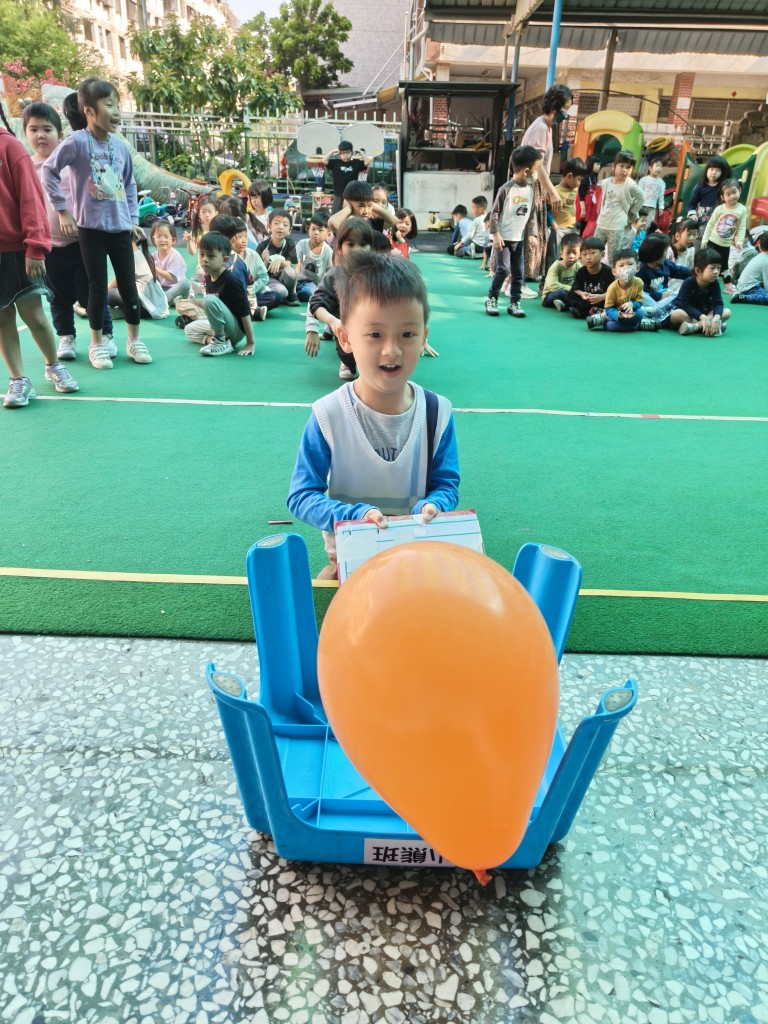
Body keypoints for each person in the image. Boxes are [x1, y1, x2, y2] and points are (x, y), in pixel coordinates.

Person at [288, 251, 460, 580]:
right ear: (345, 337)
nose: (391, 350)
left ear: (424, 338)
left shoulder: (437, 413)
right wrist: (354, 516)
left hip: (415, 554)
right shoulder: (328, 414)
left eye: (407, 334)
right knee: (332, 597)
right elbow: (301, 495)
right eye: (375, 334)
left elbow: (446, 484)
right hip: (350, 557)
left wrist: (436, 504)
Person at [42, 78, 152, 369]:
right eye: (109, 105)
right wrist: (62, 210)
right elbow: (49, 171)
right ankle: (97, 343)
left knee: (129, 286)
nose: (116, 112)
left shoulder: (120, 146)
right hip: (90, 230)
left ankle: (134, 340)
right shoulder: (77, 142)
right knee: (97, 289)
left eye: (118, 105)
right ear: (89, 111)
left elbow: (129, 185)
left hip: (120, 229)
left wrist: (133, 220)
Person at [23, 100, 114, 363]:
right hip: (49, 246)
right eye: (34, 130)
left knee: (91, 293)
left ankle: (105, 335)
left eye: (47, 129)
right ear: (26, 134)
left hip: (81, 243)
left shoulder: (71, 163)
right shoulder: (27, 168)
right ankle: (66, 336)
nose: (41, 135)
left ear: (60, 135)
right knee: (58, 296)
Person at [0, 105, 79, 407]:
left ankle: (53, 365)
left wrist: (35, 247)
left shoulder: (10, 147)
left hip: (19, 250)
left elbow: (31, 201)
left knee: (34, 315)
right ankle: (19, 379)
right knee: (2, 319)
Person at [520, 83, 573, 291]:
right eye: (565, 108)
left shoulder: (546, 127)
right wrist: (553, 192)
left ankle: (520, 279)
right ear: (555, 106)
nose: (566, 113)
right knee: (530, 235)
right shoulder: (541, 128)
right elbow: (537, 165)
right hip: (531, 186)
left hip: (535, 186)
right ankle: (518, 281)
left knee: (535, 234)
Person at [306, 217, 374, 375]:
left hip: (375, 331)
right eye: (351, 244)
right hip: (346, 330)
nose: (357, 249)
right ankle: (347, 362)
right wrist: (333, 322)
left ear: (371, 247)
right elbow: (316, 303)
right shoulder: (335, 275)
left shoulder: (379, 273)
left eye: (363, 244)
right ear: (339, 248)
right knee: (348, 357)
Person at [485, 145, 541, 319]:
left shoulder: (530, 191)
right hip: (503, 239)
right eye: (537, 169)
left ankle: (514, 302)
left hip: (519, 239)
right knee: (503, 269)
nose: (537, 173)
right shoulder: (506, 189)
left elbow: (532, 214)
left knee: (518, 273)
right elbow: (494, 213)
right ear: (526, 171)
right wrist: (495, 234)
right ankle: (492, 298)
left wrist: (532, 234)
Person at [183, 231, 257, 355]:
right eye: (202, 254)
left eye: (211, 256)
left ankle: (219, 342)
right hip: (223, 326)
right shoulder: (208, 278)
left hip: (236, 329)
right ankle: (222, 342)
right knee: (189, 329)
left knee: (209, 300)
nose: (204, 260)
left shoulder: (231, 280)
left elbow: (245, 313)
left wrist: (250, 343)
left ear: (225, 260)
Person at [594, 152, 646, 267]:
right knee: (595, 252)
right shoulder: (606, 183)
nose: (624, 170)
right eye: (621, 166)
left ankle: (612, 277)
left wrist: (632, 212)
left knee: (613, 258)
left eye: (628, 167)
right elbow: (604, 201)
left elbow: (642, 197)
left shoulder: (630, 185)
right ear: (614, 166)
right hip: (602, 223)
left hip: (616, 227)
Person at [588, 248, 656, 332]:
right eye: (621, 265)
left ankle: (605, 319)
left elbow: (639, 301)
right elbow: (609, 308)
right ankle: (638, 325)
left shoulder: (639, 282)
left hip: (631, 311)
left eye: (630, 264)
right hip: (616, 312)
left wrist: (632, 304)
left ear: (637, 268)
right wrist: (618, 315)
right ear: (614, 272)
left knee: (639, 314)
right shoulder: (612, 288)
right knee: (611, 326)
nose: (626, 268)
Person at [670, 247, 731, 336]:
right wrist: (702, 317)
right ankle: (708, 326)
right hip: (688, 313)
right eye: (712, 268)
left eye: (718, 268)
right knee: (677, 314)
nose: (716, 272)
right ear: (698, 271)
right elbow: (685, 305)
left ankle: (696, 326)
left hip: (704, 313)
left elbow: (718, 303)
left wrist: (716, 318)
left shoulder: (714, 283)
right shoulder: (688, 283)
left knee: (727, 312)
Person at [701, 178, 747, 290]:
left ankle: (728, 285)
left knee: (724, 265)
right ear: (723, 197)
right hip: (712, 242)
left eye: (734, 192)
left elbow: (741, 227)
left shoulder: (742, 210)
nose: (732, 196)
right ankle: (703, 282)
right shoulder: (719, 209)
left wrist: (739, 241)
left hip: (725, 244)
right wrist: (704, 240)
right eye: (728, 194)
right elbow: (710, 225)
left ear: (740, 191)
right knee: (709, 263)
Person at [637, 233, 692, 325]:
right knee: (641, 295)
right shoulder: (641, 269)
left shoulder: (665, 264)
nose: (667, 254)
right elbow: (643, 292)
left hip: (665, 302)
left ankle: (656, 316)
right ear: (655, 253)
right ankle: (660, 315)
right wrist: (660, 296)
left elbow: (680, 271)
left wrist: (697, 274)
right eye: (665, 251)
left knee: (680, 293)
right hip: (650, 303)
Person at [228, 216, 279, 317]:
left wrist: (251, 290)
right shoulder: (226, 256)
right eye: (239, 237)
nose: (244, 240)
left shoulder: (253, 254)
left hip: (251, 294)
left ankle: (244, 311)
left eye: (246, 236)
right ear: (230, 238)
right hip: (233, 296)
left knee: (275, 297)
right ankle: (253, 311)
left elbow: (264, 277)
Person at [256, 210, 299, 305]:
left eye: (285, 225)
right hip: (269, 279)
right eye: (276, 223)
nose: (280, 227)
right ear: (269, 226)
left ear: (290, 230)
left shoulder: (290, 243)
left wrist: (279, 261)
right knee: (282, 292)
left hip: (283, 277)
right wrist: (265, 261)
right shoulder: (262, 246)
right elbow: (258, 273)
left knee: (291, 272)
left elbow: (290, 263)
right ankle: (280, 294)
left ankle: (291, 293)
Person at [565, 236, 613, 319]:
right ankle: (593, 311)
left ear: (602, 255)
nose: (588, 257)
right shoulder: (581, 271)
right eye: (584, 254)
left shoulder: (608, 271)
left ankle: (582, 311)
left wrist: (602, 297)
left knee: (613, 301)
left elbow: (613, 292)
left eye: (592, 253)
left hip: (602, 299)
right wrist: (582, 294)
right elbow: (575, 289)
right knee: (569, 295)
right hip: (587, 299)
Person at [319, 141, 372, 213]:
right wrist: (333, 151)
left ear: (352, 153)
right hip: (338, 195)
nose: (345, 155)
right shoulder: (335, 163)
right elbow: (324, 160)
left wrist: (360, 152)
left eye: (347, 152)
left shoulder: (356, 163)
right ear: (339, 154)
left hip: (352, 196)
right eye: (343, 153)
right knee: (336, 215)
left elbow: (367, 162)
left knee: (351, 214)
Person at [328, 180, 397, 234]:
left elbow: (394, 221)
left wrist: (373, 205)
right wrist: (348, 208)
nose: (366, 211)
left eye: (369, 206)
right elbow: (333, 223)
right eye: (361, 206)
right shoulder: (346, 225)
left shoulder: (371, 223)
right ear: (348, 203)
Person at [686, 155, 731, 234]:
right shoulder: (700, 187)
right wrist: (692, 214)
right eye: (711, 169)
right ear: (706, 170)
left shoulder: (723, 187)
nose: (714, 172)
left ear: (722, 173)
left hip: (718, 219)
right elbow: (692, 203)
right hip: (703, 220)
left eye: (718, 170)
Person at [295, 211, 333, 303]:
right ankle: (293, 292)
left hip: (312, 283)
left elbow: (330, 271)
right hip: (297, 279)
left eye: (320, 230)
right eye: (313, 229)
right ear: (309, 230)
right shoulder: (301, 244)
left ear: (328, 234)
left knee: (310, 292)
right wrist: (293, 286)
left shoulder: (328, 251)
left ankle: (301, 293)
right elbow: (297, 265)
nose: (316, 232)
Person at [149, 221, 190, 306]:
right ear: (153, 239)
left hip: (175, 287)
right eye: (159, 236)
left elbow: (170, 277)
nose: (162, 239)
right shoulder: (152, 256)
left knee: (185, 283)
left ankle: (163, 300)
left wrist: (154, 268)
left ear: (173, 240)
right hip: (161, 289)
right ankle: (171, 300)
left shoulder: (176, 256)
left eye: (166, 236)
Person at [541, 232, 581, 311]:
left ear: (580, 254)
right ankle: (568, 304)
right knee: (561, 293)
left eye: (575, 253)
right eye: (568, 253)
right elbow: (553, 285)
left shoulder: (579, 267)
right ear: (561, 254)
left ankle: (565, 305)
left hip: (570, 292)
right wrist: (572, 289)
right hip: (551, 295)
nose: (571, 256)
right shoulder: (556, 266)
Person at [552, 158, 587, 246]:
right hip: (559, 230)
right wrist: (553, 225)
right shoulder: (554, 192)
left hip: (572, 228)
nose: (579, 183)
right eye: (579, 179)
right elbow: (547, 210)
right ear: (569, 176)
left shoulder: (575, 189)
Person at [731, 230, 768, 304]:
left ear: (759, 246)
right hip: (749, 288)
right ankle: (742, 297)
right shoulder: (766, 260)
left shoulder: (761, 256)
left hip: (746, 286)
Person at [575, 154, 601, 239]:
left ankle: (582, 240)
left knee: (586, 225)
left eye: (599, 164)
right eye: (597, 164)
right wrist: (583, 209)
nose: (599, 166)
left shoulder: (594, 177)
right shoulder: (586, 178)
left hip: (591, 204)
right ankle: (578, 240)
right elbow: (581, 193)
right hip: (584, 204)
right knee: (581, 225)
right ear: (591, 164)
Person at [638, 157, 666, 231]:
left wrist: (661, 207)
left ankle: (645, 236)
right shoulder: (643, 180)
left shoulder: (661, 183)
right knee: (639, 223)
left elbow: (661, 196)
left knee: (648, 225)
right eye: (657, 166)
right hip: (642, 206)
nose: (659, 168)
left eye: (660, 166)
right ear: (650, 168)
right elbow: (639, 193)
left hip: (652, 207)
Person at [246, 180, 273, 246]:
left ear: (265, 196)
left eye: (256, 197)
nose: (253, 201)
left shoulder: (273, 216)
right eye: (251, 198)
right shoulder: (249, 216)